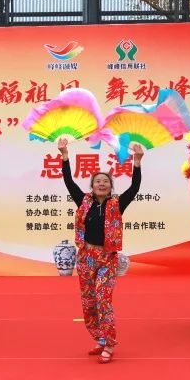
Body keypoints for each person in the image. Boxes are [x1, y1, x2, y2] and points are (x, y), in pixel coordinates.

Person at [58, 137, 142, 364]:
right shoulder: (84, 202)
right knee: (89, 302)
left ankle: (110, 343)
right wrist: (65, 156)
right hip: (86, 257)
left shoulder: (117, 204)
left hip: (107, 258)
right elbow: (69, 182)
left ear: (110, 186)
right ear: (92, 186)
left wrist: (136, 161)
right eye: (98, 181)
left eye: (106, 181)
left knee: (103, 299)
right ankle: (100, 338)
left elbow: (134, 188)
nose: (102, 184)